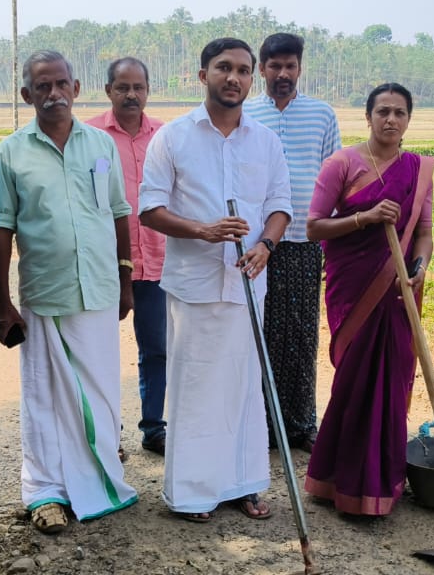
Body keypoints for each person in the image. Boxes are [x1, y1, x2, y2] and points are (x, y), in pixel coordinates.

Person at [138, 37, 291, 521]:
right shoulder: (174, 137)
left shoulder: (265, 140)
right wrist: (202, 230)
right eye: (224, 68)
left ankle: (243, 484)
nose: (235, 77)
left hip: (248, 286)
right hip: (194, 285)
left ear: (253, 78)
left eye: (244, 70)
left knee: (245, 386)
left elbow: (281, 206)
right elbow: (150, 208)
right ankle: (192, 492)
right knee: (196, 387)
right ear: (201, 75)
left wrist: (266, 245)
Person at [0, 50, 138, 534]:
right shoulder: (10, 152)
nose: (53, 94)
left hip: (98, 287)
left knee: (100, 390)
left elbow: (118, 212)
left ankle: (100, 478)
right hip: (45, 294)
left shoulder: (100, 145)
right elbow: (1, 228)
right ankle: (45, 491)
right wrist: (1, 299)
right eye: (43, 86)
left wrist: (124, 276)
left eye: (61, 85)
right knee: (45, 396)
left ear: (76, 89)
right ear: (27, 94)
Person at [303, 83, 434, 515]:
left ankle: (382, 481)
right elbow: (315, 227)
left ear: (408, 120)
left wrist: (417, 268)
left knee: (392, 387)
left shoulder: (419, 170)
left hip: (399, 294)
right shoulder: (341, 164)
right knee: (354, 384)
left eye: (399, 112)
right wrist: (365, 218)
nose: (391, 120)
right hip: (354, 290)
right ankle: (335, 479)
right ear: (368, 116)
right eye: (383, 111)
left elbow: (424, 235)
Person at [244, 33, 341, 452]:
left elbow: (335, 178)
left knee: (300, 335)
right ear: (262, 69)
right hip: (256, 240)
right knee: (257, 332)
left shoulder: (321, 115)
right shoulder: (245, 114)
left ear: (300, 68)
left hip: (304, 240)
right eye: (274, 66)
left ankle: (300, 424)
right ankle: (260, 424)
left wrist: (330, 242)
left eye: (290, 66)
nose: (282, 74)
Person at [86, 57, 169, 457]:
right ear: (108, 91)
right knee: (101, 352)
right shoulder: (88, 137)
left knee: (157, 348)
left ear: (148, 90)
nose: (131, 95)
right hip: (105, 262)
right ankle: (107, 435)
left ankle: (154, 427)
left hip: (156, 262)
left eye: (138, 87)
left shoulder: (166, 137)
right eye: (123, 87)